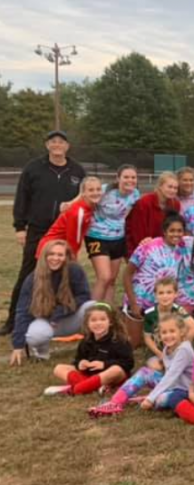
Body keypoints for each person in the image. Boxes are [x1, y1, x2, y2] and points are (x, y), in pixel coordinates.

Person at [5, 129, 85, 336]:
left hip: (63, 232)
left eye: (61, 142)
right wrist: (20, 227)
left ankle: (60, 318)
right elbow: (21, 198)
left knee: (66, 274)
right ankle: (13, 320)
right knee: (28, 273)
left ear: (67, 146)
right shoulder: (33, 169)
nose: (57, 145)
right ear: (47, 145)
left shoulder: (77, 171)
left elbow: (85, 197)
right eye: (53, 142)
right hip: (38, 230)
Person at [88, 312, 194, 417]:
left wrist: (151, 398)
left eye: (172, 331)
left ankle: (144, 400)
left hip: (186, 391)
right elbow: (168, 377)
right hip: (173, 385)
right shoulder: (167, 348)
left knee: (160, 399)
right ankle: (115, 403)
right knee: (144, 372)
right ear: (159, 334)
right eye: (164, 332)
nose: (168, 336)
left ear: (181, 332)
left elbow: (171, 376)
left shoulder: (184, 349)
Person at [10, 240, 93, 365]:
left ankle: (94, 347)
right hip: (46, 320)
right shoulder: (32, 278)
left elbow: (84, 296)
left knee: (92, 307)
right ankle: (42, 352)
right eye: (51, 254)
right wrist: (18, 345)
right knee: (35, 335)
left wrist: (60, 311)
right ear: (44, 256)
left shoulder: (74, 270)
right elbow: (22, 311)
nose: (55, 258)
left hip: (69, 317)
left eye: (60, 255)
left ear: (66, 257)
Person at [43, 303, 134, 397]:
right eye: (93, 320)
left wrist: (104, 364)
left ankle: (75, 389)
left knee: (116, 370)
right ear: (87, 323)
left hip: (111, 376)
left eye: (103, 319)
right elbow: (77, 360)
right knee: (58, 368)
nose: (98, 323)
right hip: (90, 374)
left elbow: (128, 363)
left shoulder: (119, 340)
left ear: (110, 322)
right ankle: (94, 386)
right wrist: (81, 363)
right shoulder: (86, 341)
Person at [84, 164, 140, 302]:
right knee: (104, 277)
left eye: (133, 177)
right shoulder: (104, 191)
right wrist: (69, 204)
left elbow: (127, 214)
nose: (130, 180)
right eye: (126, 177)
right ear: (118, 178)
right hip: (97, 236)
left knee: (112, 280)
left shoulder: (135, 194)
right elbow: (84, 197)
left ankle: (108, 313)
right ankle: (91, 313)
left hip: (117, 238)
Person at [123, 214, 189, 316]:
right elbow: (127, 274)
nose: (176, 234)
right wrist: (133, 303)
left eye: (179, 231)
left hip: (164, 305)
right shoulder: (148, 246)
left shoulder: (183, 248)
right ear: (164, 231)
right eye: (172, 230)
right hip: (140, 302)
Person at [37, 176, 103, 257]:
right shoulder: (79, 213)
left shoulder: (90, 206)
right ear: (83, 193)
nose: (95, 193)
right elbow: (73, 241)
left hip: (61, 248)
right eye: (91, 190)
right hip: (51, 249)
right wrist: (73, 260)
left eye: (98, 189)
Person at [142, 277, 194, 368]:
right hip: (159, 349)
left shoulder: (179, 310)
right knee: (156, 366)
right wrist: (160, 354)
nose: (165, 296)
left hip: (178, 347)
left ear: (175, 294)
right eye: (161, 293)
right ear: (155, 295)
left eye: (169, 292)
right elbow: (147, 338)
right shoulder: (150, 313)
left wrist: (179, 346)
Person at [125, 172, 181, 257]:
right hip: (141, 248)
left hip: (163, 249)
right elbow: (137, 231)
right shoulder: (144, 202)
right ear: (160, 186)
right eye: (169, 187)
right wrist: (147, 249)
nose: (173, 190)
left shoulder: (175, 205)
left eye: (175, 188)